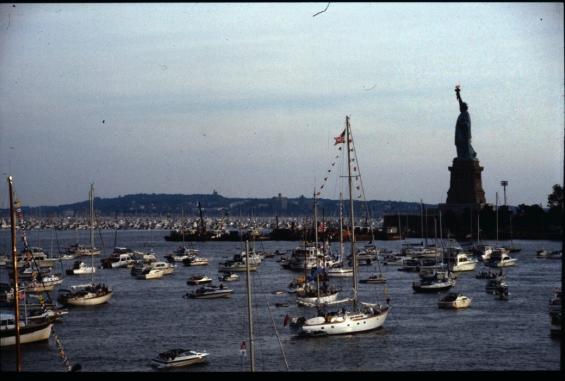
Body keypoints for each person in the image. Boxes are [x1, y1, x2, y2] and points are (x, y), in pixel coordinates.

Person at [454, 86, 477, 160]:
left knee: (464, 146)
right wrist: (458, 94)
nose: (460, 107)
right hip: (460, 134)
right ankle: (462, 156)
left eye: (461, 107)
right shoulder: (463, 113)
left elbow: (467, 124)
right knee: (460, 146)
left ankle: (468, 155)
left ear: (464, 108)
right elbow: (460, 102)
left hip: (464, 135)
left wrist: (462, 124)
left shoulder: (465, 114)